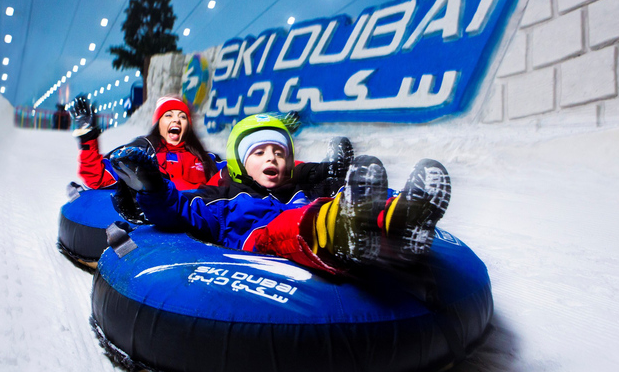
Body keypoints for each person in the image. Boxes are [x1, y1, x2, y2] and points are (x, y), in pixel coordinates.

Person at [108, 113, 451, 274]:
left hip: (313, 216)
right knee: (295, 221)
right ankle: (348, 228)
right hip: (267, 241)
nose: (271, 158)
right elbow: (179, 209)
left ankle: (403, 221)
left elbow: (316, 179)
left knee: (331, 199)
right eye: (258, 152)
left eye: (279, 152)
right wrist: (152, 188)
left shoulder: (296, 189)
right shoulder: (224, 199)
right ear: (241, 164)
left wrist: (337, 175)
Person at [67, 94, 219, 191]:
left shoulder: (205, 158)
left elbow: (229, 178)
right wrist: (88, 139)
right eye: (168, 115)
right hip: (162, 223)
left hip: (199, 223)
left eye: (182, 116)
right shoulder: (144, 151)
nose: (176, 120)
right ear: (159, 123)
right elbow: (97, 177)